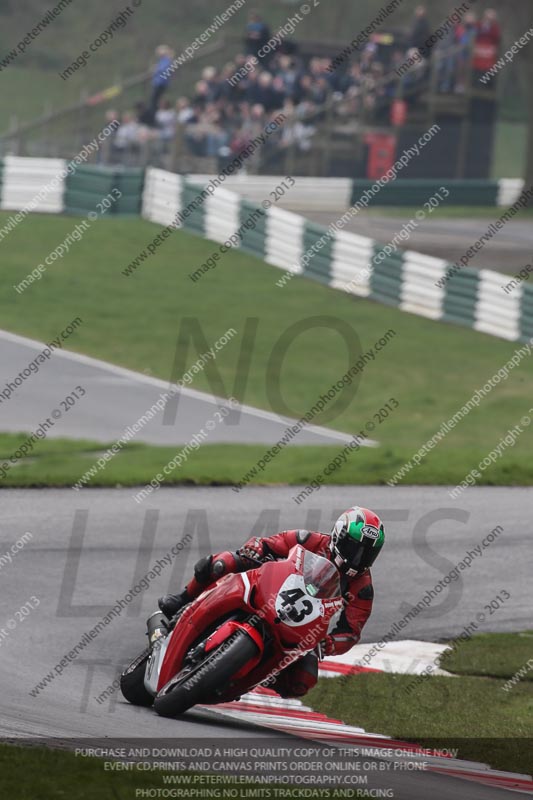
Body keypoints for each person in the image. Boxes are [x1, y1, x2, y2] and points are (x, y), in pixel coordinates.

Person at [159, 506, 385, 698]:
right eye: (354, 549)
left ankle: (257, 675)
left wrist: (330, 643)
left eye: (367, 554)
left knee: (303, 680)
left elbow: (351, 631)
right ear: (338, 535)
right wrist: (257, 547)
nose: (358, 558)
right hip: (270, 587)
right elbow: (271, 543)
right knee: (223, 563)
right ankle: (184, 599)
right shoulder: (311, 540)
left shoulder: (361, 587)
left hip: (303, 626)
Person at [149, 45, 175, 124]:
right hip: (158, 83)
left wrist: (155, 69)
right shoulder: (162, 60)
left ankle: (154, 119)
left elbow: (163, 69)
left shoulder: (166, 60)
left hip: (161, 83)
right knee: (154, 100)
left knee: (154, 101)